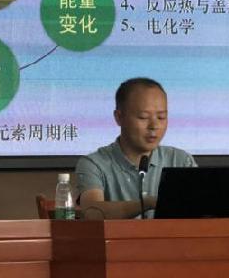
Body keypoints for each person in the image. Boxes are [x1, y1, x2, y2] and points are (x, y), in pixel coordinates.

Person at [75, 77, 195, 219]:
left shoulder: (181, 160)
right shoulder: (94, 164)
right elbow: (93, 212)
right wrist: (147, 203)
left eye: (161, 117)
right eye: (143, 117)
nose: (154, 126)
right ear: (119, 117)